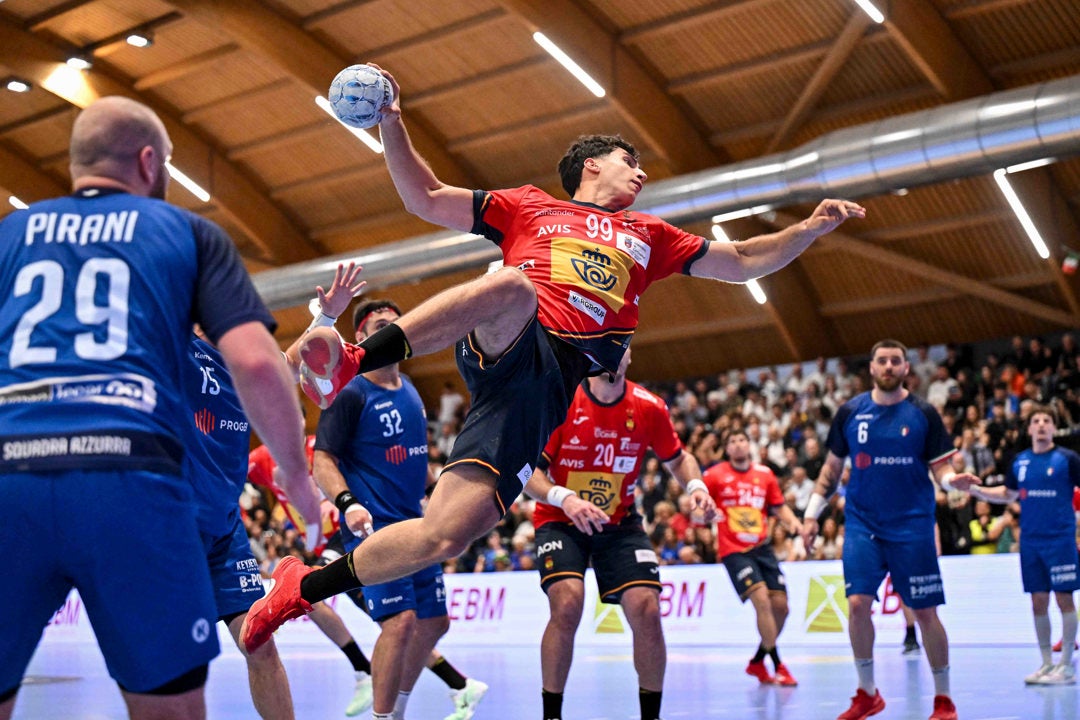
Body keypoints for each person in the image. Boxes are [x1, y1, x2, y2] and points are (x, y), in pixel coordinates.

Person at [239, 64, 865, 655]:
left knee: (445, 535)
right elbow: (425, 197)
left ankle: (302, 588)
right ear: (592, 165)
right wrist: (391, 122)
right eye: (630, 162)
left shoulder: (650, 235)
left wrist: (806, 229)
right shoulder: (530, 206)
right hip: (514, 337)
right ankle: (352, 360)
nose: (640, 174)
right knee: (511, 285)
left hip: (547, 389)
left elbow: (748, 259)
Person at [0, 96, 318, 720]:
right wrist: (298, 477)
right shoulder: (186, 233)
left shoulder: (11, 236)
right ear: (150, 162)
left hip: (12, 474)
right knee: (166, 707)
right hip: (131, 482)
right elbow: (256, 363)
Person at [311, 299, 487, 720]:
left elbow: (415, 461)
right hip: (374, 528)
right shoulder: (350, 391)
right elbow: (322, 461)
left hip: (419, 526)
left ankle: (398, 707)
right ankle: (383, 715)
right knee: (399, 622)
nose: (389, 329)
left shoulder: (409, 389)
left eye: (395, 323)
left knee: (435, 623)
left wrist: (445, 499)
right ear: (360, 337)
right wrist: (347, 503)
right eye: (379, 324)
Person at [520, 347, 712, 720]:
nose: (613, 353)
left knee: (647, 607)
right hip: (560, 518)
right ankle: (551, 715)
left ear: (629, 359)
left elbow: (679, 457)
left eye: (620, 347)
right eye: (606, 345)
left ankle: (651, 715)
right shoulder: (561, 400)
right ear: (591, 357)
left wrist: (696, 488)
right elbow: (529, 472)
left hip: (619, 523)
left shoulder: (649, 406)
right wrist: (566, 498)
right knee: (567, 602)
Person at [801, 339, 979, 720]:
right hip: (863, 524)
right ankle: (867, 693)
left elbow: (942, 470)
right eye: (881, 361)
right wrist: (812, 514)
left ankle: (944, 699)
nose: (888, 366)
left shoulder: (923, 413)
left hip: (912, 524)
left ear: (905, 368)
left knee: (925, 611)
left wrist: (952, 483)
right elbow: (831, 471)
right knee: (856, 604)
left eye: (895, 361)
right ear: (871, 367)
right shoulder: (850, 412)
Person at [968, 406, 1080, 685]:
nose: (1041, 425)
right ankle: (1045, 663)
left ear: (1054, 428)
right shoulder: (1020, 462)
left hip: (1060, 540)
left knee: (1064, 599)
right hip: (1030, 541)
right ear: (1029, 429)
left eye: (1046, 421)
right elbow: (1008, 494)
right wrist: (974, 489)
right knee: (1037, 601)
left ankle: (1066, 665)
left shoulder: (1068, 459)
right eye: (1036, 421)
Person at [705, 429, 801, 687]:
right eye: (732, 441)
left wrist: (795, 524)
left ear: (750, 445)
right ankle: (779, 665)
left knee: (781, 607)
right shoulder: (715, 476)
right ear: (727, 450)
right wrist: (706, 514)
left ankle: (758, 661)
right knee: (762, 601)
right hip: (733, 550)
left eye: (741, 440)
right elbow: (700, 503)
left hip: (762, 548)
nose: (737, 445)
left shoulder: (765, 475)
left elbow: (778, 506)